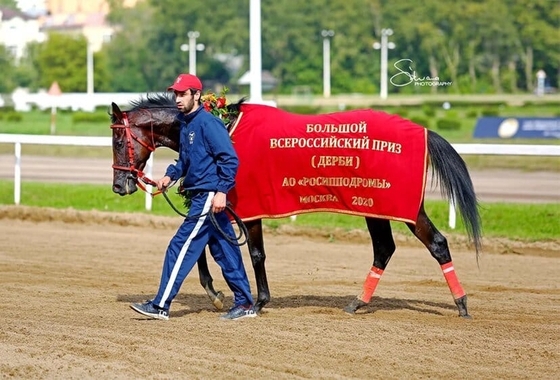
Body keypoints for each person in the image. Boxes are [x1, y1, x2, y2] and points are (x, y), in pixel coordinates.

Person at [130, 73, 257, 321]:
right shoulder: (186, 123)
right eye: (175, 94)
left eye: (182, 94)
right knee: (225, 251)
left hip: (208, 197)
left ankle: (160, 305)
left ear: (196, 95)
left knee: (179, 247)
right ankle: (245, 304)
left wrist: (221, 191)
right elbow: (186, 161)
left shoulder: (209, 124)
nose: (177, 98)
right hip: (204, 195)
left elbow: (229, 159)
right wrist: (170, 176)